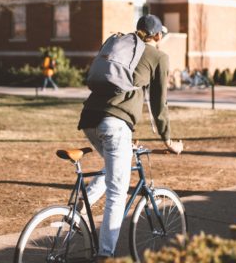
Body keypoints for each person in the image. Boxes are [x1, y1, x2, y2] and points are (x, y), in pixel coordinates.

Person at [78, 14, 183, 260]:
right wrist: (169, 141)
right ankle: (106, 254)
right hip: (115, 123)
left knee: (114, 167)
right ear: (158, 35)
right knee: (119, 189)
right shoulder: (158, 57)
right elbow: (159, 104)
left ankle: (78, 211)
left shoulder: (124, 47)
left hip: (90, 119)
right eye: (162, 35)